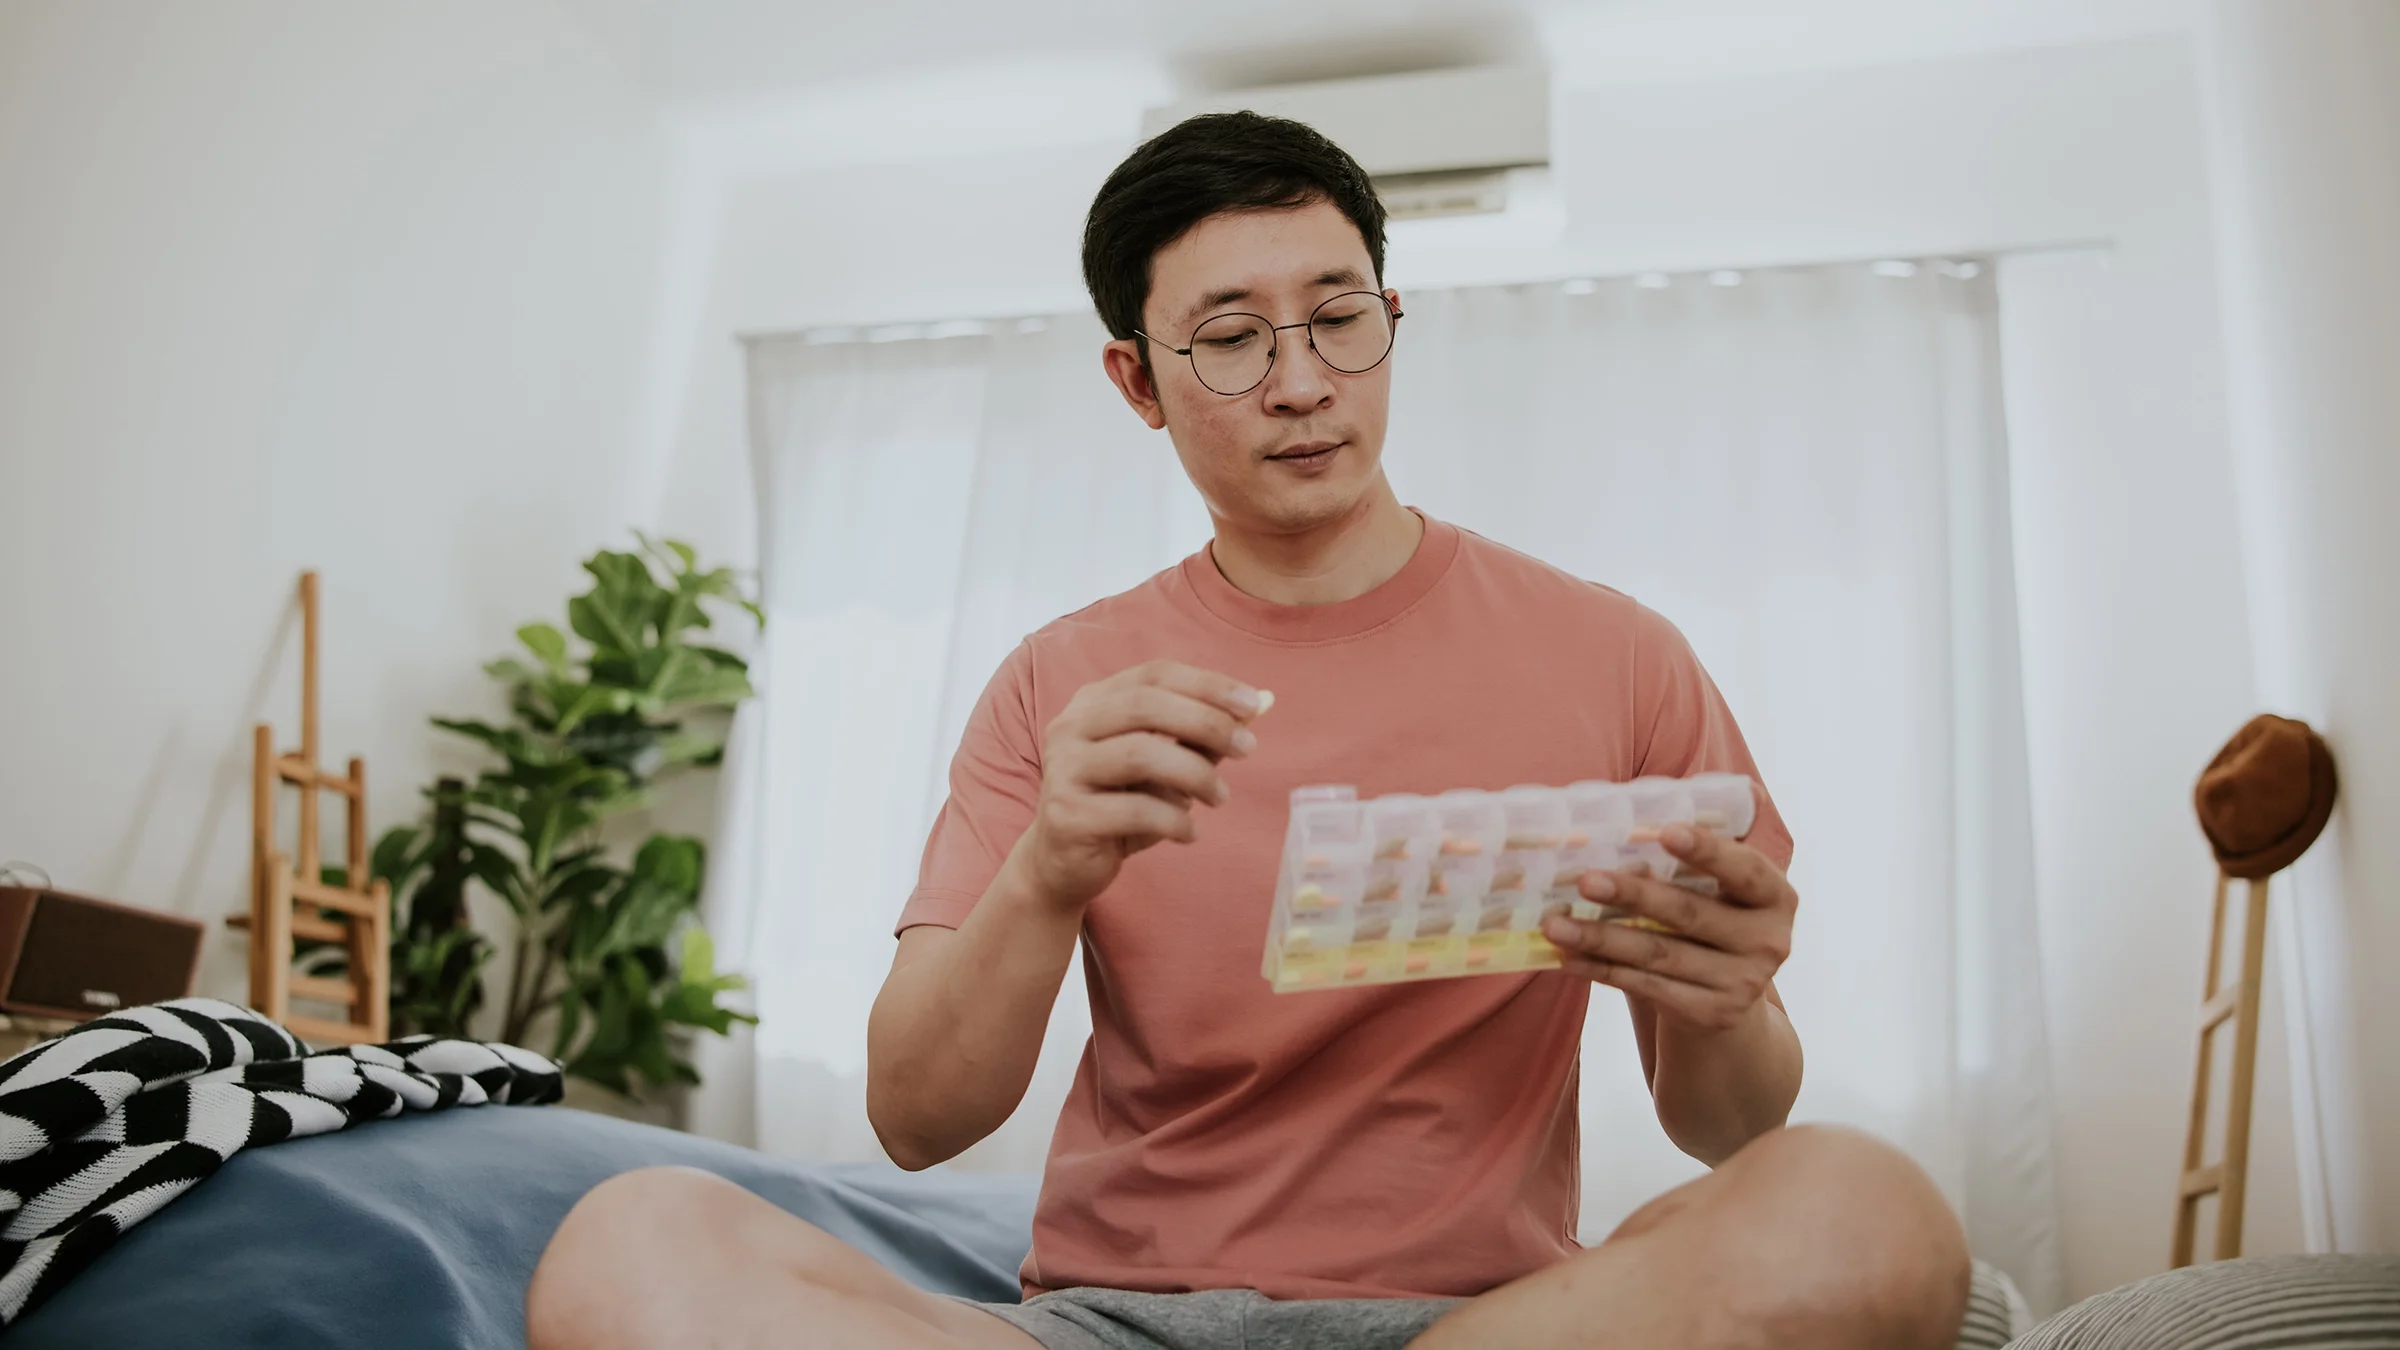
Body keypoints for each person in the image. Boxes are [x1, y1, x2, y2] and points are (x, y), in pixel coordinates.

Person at [528, 112, 1970, 1350]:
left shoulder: (1619, 654)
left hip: (1478, 1327)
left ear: (1391, 321)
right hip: (1118, 1320)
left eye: (1341, 316)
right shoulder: (1063, 684)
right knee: (627, 1244)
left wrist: (1720, 993)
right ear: (1136, 382)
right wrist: (1047, 868)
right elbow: (916, 1119)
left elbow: (1733, 1126)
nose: (1300, 379)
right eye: (1229, 339)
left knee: (1865, 1214)